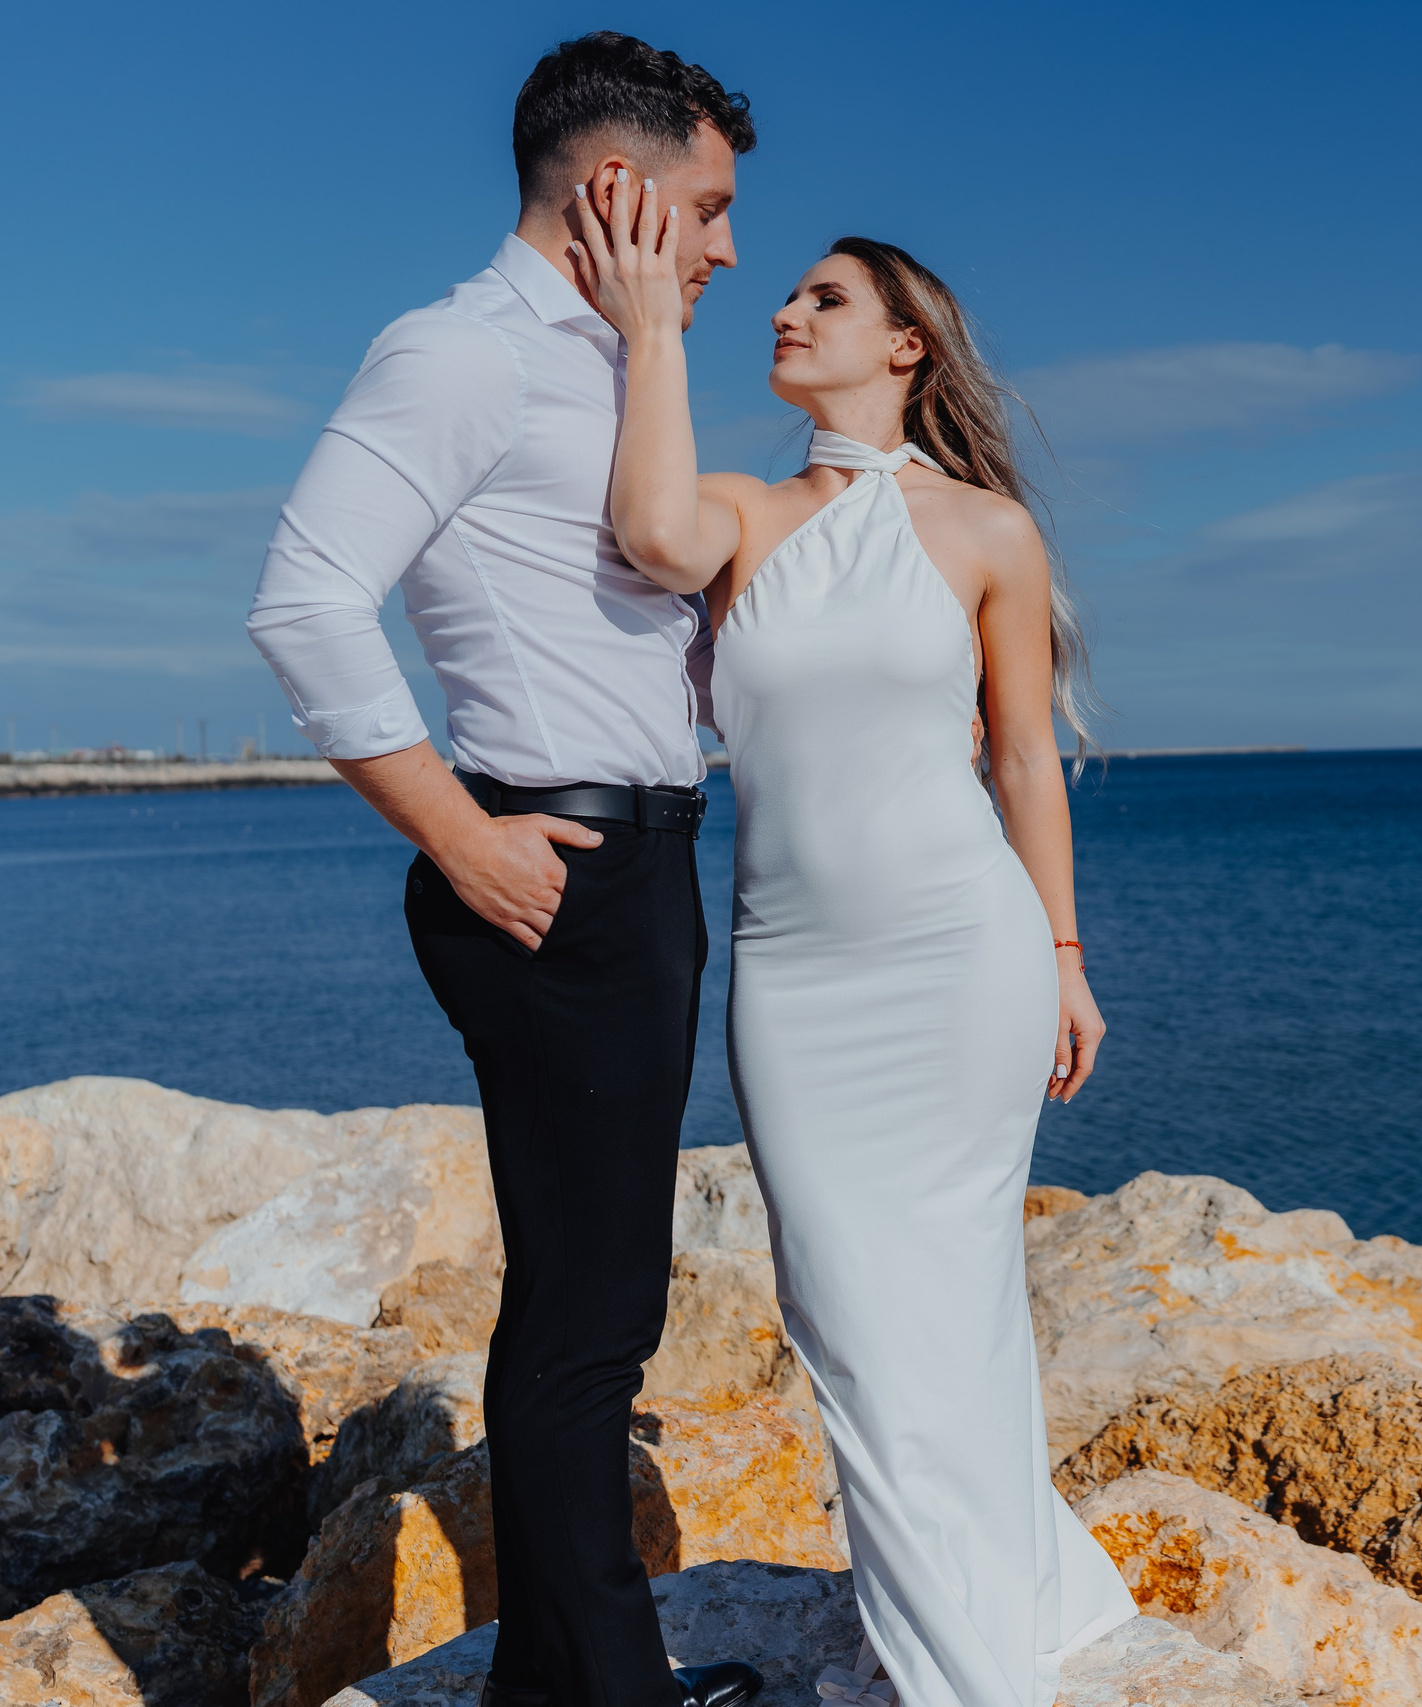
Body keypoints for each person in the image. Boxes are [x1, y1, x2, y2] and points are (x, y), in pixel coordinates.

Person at [244, 35, 765, 1707]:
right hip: (556, 867)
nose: (730, 245)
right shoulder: (463, 353)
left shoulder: (630, 363)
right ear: (614, 187)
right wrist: (458, 836)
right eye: (709, 204)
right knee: (593, 1331)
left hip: (638, 862)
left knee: (576, 1306)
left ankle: (549, 1690)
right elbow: (305, 600)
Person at [569, 176, 1137, 1707]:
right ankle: (1011, 1602)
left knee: (952, 1301)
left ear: (906, 349)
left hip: (967, 959)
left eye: (825, 297)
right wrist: (645, 335)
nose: (786, 307)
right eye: (788, 292)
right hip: (800, 979)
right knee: (847, 1309)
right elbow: (645, 525)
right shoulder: (747, 516)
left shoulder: (987, 532)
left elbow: (1023, 761)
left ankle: (964, 1666)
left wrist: (1067, 958)